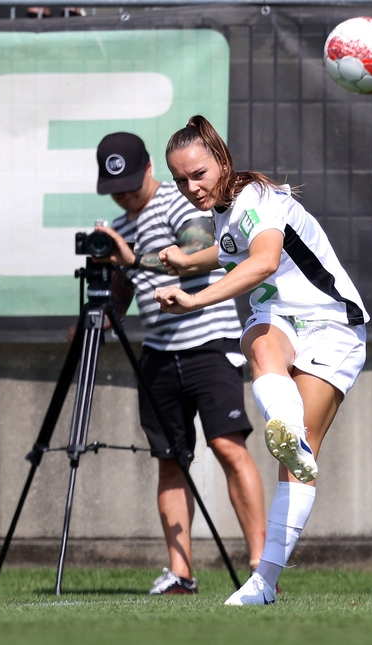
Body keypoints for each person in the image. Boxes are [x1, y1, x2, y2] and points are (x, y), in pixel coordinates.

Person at [153, 115, 369, 605]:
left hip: (332, 324)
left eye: (199, 174)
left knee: (299, 462)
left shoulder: (259, 197)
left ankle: (265, 577)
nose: (192, 187)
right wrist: (191, 260)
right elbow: (232, 249)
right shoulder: (227, 214)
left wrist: (194, 296)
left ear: (221, 161)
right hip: (280, 318)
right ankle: (285, 426)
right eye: (182, 179)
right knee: (261, 337)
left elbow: (264, 259)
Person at [88, 132, 266, 595]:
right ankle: (180, 574)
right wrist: (104, 314)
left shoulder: (177, 200)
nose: (125, 194)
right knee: (170, 460)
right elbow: (127, 292)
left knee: (228, 447)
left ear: (149, 169)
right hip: (159, 354)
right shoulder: (118, 226)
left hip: (210, 341)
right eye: (115, 188)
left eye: (130, 181)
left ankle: (262, 568)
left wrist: (134, 259)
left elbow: (197, 259)